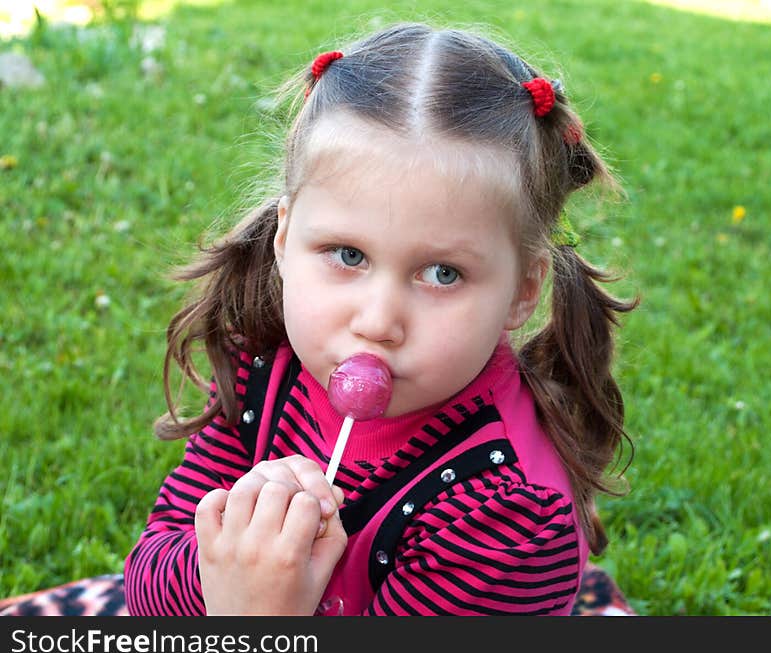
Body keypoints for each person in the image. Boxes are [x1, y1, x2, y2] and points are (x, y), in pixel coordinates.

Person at [123, 21, 638, 616]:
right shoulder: (264, 366)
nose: (377, 321)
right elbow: (149, 579)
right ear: (286, 238)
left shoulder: (508, 519)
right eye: (348, 255)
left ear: (523, 291)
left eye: (442, 273)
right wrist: (235, 563)